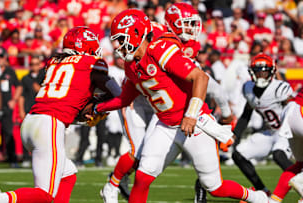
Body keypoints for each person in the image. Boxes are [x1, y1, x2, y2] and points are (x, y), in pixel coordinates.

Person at [94, 9, 269, 203]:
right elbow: (124, 99)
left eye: (121, 39)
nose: (118, 46)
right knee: (142, 177)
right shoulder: (131, 65)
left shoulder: (159, 50)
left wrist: (191, 115)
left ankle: (258, 197)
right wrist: (96, 109)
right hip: (165, 125)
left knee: (214, 187)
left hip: (194, 125)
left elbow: (200, 78)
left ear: (136, 33)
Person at [0, 26, 122, 203]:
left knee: (68, 174)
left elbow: (67, 96)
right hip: (49, 125)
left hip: (31, 121)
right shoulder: (92, 63)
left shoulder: (53, 62)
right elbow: (118, 94)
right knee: (45, 195)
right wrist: (96, 108)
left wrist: (87, 107)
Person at [164, 3, 235, 202]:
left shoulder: (187, 46)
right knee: (148, 164)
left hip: (188, 98)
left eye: (191, 24)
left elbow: (207, 84)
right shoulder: (162, 40)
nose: (191, 28)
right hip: (166, 105)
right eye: (186, 24)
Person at [100, 18, 168, 202]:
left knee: (151, 153)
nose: (122, 46)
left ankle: (119, 179)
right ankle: (112, 185)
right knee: (138, 150)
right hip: (135, 98)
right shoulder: (133, 61)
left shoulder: (164, 40)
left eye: (124, 40)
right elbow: (126, 93)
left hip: (155, 100)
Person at [232, 53, 293, 196]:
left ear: (271, 72)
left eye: (264, 71)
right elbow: (246, 114)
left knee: (279, 155)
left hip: (287, 131)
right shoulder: (248, 88)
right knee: (238, 154)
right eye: (257, 71)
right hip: (271, 132)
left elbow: (293, 109)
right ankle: (263, 191)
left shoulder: (280, 88)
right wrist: (235, 136)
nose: (260, 74)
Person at [269, 88, 303, 202]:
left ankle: (274, 200)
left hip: (291, 110)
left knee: (299, 164)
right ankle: (301, 179)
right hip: (300, 113)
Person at [0, 47, 23, 168]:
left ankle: (12, 158)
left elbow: (19, 86)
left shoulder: (10, 71)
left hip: (6, 106)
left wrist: (14, 100)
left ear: (5, 58)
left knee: (8, 132)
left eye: (1, 57)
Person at [18, 55, 45, 167]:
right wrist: (21, 110)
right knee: (27, 135)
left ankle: (40, 157)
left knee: (41, 135)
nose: (34, 66)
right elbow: (22, 96)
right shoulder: (26, 78)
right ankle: (26, 157)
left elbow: (46, 92)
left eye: (36, 64)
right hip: (29, 109)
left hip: (41, 109)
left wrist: (38, 88)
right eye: (32, 64)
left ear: (40, 65)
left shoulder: (44, 77)